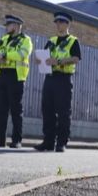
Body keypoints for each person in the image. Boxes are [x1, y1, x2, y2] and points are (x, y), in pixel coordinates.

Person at [34, 12, 81, 153]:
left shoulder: (73, 41)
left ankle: (61, 143)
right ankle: (48, 142)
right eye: (56, 22)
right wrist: (39, 60)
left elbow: (76, 58)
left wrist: (59, 61)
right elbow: (44, 55)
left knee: (63, 111)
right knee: (47, 110)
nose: (58, 24)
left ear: (67, 24)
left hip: (63, 78)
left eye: (60, 22)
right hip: (50, 78)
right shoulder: (52, 40)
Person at [0, 15, 32, 149]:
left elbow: (22, 54)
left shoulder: (25, 40)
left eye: (9, 24)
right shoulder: (4, 39)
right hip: (2, 75)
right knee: (0, 108)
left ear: (17, 26)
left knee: (16, 109)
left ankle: (17, 140)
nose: (6, 27)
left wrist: (5, 56)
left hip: (16, 76)